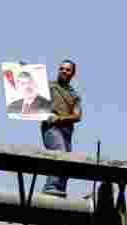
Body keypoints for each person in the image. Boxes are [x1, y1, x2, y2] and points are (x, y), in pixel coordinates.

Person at [41, 59, 82, 197]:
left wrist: (61, 118)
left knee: (68, 162)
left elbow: (77, 115)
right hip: (52, 128)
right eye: (61, 68)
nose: (64, 71)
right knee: (60, 154)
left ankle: (60, 190)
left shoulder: (74, 95)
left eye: (67, 69)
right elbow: (31, 88)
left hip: (66, 132)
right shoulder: (50, 86)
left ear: (73, 74)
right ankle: (51, 186)